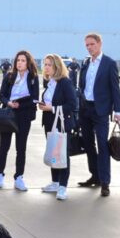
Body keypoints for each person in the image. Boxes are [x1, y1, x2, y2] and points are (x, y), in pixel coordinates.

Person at [77, 33, 120, 197]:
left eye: (92, 44)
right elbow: (81, 86)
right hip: (85, 109)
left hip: (101, 110)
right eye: (87, 45)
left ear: (100, 44)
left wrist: (118, 110)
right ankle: (94, 175)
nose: (89, 48)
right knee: (88, 144)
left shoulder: (109, 63)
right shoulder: (86, 63)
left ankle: (105, 182)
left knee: (103, 146)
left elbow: (115, 88)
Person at [0, 50, 39, 191]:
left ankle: (19, 177)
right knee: (4, 146)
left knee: (21, 148)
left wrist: (20, 105)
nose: (20, 63)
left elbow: (34, 98)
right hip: (8, 114)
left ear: (28, 62)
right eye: (18, 60)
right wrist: (9, 103)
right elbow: (1, 95)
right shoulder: (9, 76)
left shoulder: (33, 77)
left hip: (24, 115)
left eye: (23, 60)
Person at [39, 54, 77, 200]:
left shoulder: (65, 82)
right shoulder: (49, 82)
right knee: (53, 153)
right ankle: (55, 182)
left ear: (57, 66)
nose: (46, 67)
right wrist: (43, 105)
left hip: (62, 122)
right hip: (49, 122)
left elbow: (72, 104)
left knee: (62, 154)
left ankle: (63, 186)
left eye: (49, 64)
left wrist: (52, 108)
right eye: (45, 64)